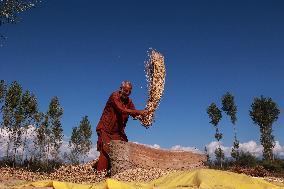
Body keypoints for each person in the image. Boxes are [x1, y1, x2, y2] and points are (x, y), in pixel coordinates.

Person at [96, 81, 147, 172]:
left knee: (124, 147)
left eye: (129, 92)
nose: (127, 93)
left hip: (118, 132)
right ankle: (100, 175)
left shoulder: (129, 101)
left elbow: (134, 113)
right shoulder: (114, 96)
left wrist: (145, 116)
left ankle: (119, 172)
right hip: (106, 129)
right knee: (106, 150)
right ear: (121, 89)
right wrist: (139, 112)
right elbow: (121, 109)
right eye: (126, 91)